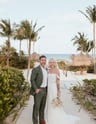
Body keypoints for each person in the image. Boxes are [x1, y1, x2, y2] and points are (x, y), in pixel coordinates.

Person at [46, 58, 79, 124]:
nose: (52, 63)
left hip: (53, 88)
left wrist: (58, 90)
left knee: (54, 101)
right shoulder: (47, 70)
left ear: (55, 63)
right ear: (49, 63)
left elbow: (58, 82)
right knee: (48, 102)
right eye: (50, 62)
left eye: (53, 62)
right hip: (48, 89)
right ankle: (47, 116)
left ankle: (55, 117)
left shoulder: (57, 71)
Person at [30, 55, 47, 124]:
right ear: (39, 61)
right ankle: (35, 122)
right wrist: (36, 88)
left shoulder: (46, 69)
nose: (44, 61)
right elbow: (32, 80)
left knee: (42, 107)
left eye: (45, 60)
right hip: (39, 90)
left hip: (45, 90)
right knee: (36, 107)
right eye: (42, 60)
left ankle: (41, 121)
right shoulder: (36, 69)